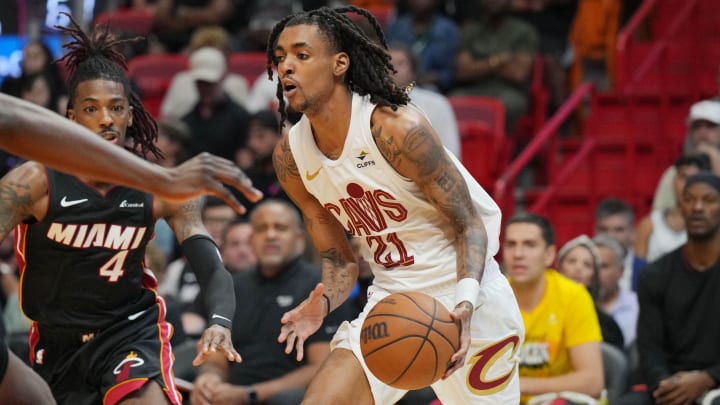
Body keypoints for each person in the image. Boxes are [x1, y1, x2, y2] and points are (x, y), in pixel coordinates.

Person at [267, 6, 524, 404]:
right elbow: (340, 260)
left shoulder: (396, 129)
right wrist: (325, 302)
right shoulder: (291, 158)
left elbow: (468, 225)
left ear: (340, 64)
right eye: (280, 56)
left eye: (302, 55)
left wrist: (466, 303)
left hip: (467, 299)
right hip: (391, 303)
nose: (286, 66)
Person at [0, 16, 245, 404]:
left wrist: (220, 321)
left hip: (130, 332)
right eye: (92, 109)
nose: (106, 120)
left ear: (131, 115)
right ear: (70, 119)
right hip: (56, 341)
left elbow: (211, 265)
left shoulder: (163, 185)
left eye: (117, 108)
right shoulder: (33, 182)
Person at [190, 199, 353, 405]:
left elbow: (322, 367)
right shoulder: (234, 287)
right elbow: (216, 354)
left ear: (299, 239)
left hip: (287, 397)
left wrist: (249, 394)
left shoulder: (322, 288)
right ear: (252, 239)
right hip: (230, 394)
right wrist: (210, 378)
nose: (270, 235)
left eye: (280, 228)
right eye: (261, 228)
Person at [633, 173, 720, 405]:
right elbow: (650, 348)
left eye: (709, 200)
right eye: (689, 199)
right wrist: (664, 384)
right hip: (674, 384)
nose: (698, 207)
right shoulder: (655, 274)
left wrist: (708, 378)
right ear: (680, 207)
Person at [503, 214, 604, 404]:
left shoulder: (574, 295)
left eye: (529, 245)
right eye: (511, 244)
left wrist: (516, 385)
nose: (518, 254)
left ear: (549, 255)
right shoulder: (493, 298)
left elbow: (592, 380)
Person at [388, 43, 461, 158]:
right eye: (387, 64)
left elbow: (451, 153)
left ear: (412, 71)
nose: (392, 69)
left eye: (400, 63)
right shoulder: (367, 103)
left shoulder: (437, 103)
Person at [635, 154, 710, 263]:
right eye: (682, 177)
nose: (687, 183)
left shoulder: (713, 226)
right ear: (673, 181)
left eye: (694, 177)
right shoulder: (650, 224)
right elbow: (639, 273)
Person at [556, 234, 624, 350]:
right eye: (572, 261)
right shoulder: (539, 308)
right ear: (559, 268)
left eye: (587, 265)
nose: (578, 268)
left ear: (593, 277)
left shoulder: (607, 326)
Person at [652, 100, 720, 212]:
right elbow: (660, 214)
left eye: (710, 126)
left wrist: (714, 157)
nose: (702, 132)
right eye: (697, 127)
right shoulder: (675, 172)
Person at [593, 234, 638, 350]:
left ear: (621, 271)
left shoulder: (637, 306)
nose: (596, 273)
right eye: (591, 265)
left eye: (603, 266)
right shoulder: (573, 306)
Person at [594, 197, 646, 291]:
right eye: (604, 229)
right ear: (595, 231)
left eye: (619, 229)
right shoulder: (585, 268)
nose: (611, 236)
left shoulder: (647, 271)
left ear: (632, 232)